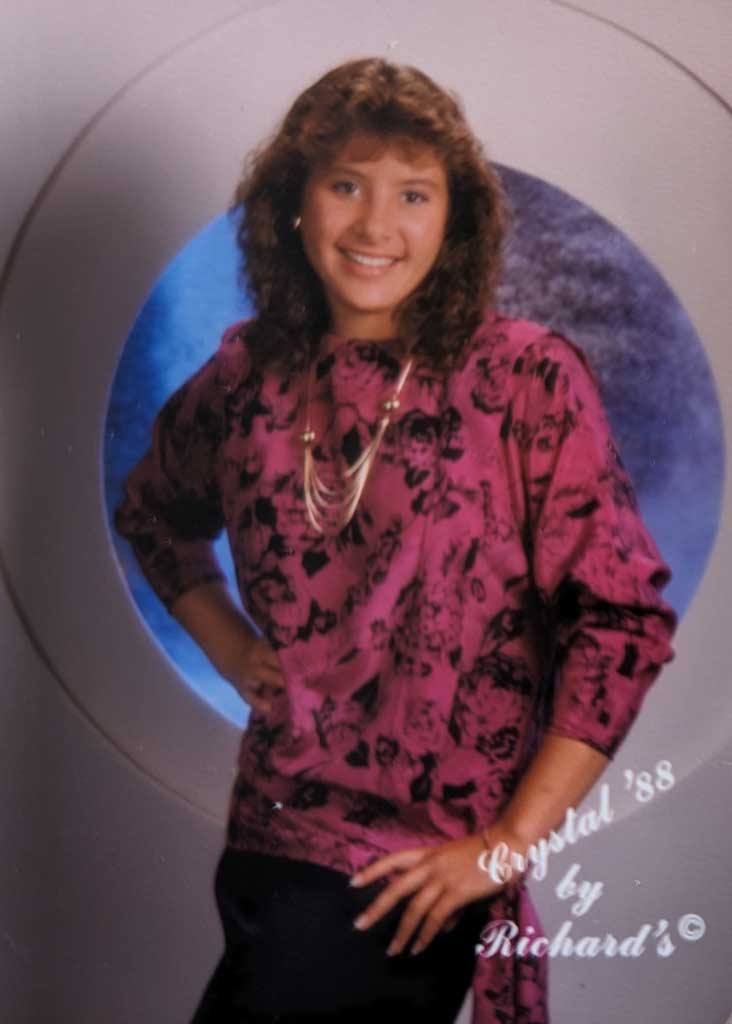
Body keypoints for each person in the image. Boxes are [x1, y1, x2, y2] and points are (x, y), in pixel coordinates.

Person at [113, 58, 677, 1024]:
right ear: (295, 205)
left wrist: (505, 846)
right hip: (272, 843)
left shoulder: (526, 379)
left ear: (453, 219)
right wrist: (234, 647)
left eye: (413, 193)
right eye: (346, 186)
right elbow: (153, 512)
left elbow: (623, 624)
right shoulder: (248, 372)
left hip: (415, 872)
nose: (377, 227)